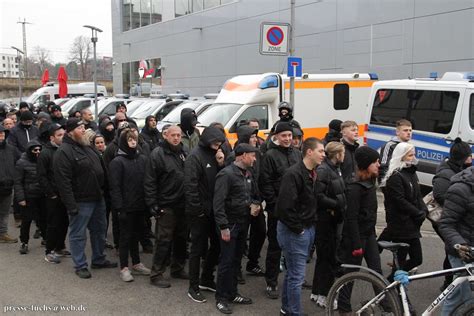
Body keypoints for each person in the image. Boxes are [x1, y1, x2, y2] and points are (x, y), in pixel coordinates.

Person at [54, 118, 117, 279]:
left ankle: (98, 259)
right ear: (70, 131)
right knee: (78, 233)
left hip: (97, 197)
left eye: (84, 127)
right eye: (79, 127)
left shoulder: (87, 147)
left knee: (99, 230)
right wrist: (71, 205)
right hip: (80, 201)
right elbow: (63, 183)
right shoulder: (64, 152)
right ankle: (80, 265)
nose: (83, 130)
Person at [276, 137, 324, 315]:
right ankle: (294, 312)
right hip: (295, 231)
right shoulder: (293, 174)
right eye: (321, 151)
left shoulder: (313, 172)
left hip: (306, 228)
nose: (323, 155)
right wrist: (299, 229)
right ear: (309, 152)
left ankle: (286, 309)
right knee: (297, 277)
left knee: (292, 274)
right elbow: (284, 207)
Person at [213, 143, 261, 314]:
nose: (255, 159)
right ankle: (221, 298)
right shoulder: (226, 175)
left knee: (235, 261)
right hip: (230, 226)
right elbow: (218, 205)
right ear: (242, 155)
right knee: (226, 262)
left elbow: (255, 195)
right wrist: (224, 227)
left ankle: (232, 293)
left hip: (243, 223)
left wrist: (256, 204)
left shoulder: (248, 173)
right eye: (252, 155)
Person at [259, 122, 302, 299]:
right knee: (275, 247)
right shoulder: (269, 155)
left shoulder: (297, 154)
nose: (287, 139)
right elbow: (265, 183)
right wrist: (275, 205)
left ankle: (295, 279)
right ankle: (271, 282)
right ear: (276, 136)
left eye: (290, 136)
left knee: (296, 247)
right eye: (284, 136)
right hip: (277, 209)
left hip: (296, 210)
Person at [338, 146, 383, 314]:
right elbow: (351, 218)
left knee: (376, 271)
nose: (379, 164)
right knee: (351, 273)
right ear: (366, 164)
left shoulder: (370, 182)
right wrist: (357, 245)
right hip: (356, 238)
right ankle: (343, 307)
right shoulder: (355, 187)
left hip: (369, 234)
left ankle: (385, 303)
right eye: (375, 162)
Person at [184, 126, 226, 303]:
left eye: (219, 143)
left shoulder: (215, 154)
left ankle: (206, 279)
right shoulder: (195, 156)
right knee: (197, 249)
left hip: (213, 210)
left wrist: (221, 162)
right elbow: (190, 186)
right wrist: (198, 210)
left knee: (216, 245)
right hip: (199, 212)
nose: (217, 146)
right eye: (215, 142)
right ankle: (193, 287)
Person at [145, 125, 188, 288]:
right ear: (166, 136)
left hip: (183, 204)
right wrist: (152, 204)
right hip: (166, 205)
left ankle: (177, 268)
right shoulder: (157, 154)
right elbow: (149, 181)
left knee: (181, 239)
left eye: (179, 135)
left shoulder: (184, 153)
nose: (176, 138)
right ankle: (156, 274)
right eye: (173, 135)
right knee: (163, 241)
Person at [109, 129, 151, 282]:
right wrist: (119, 208)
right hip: (126, 207)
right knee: (125, 237)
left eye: (134, 139)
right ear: (123, 142)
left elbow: (147, 182)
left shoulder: (142, 159)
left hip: (139, 205)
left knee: (137, 235)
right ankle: (124, 267)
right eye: (129, 140)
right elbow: (115, 187)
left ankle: (137, 263)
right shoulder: (117, 162)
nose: (133, 142)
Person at [381, 142, 426, 278]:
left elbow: (418, 195)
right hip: (401, 225)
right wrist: (417, 212)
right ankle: (389, 288)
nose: (413, 157)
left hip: (412, 225)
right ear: (401, 156)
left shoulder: (411, 173)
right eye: (410, 155)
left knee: (417, 259)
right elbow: (399, 201)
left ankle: (392, 283)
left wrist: (423, 209)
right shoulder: (396, 176)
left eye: (414, 154)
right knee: (400, 262)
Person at [432, 137, 472, 290]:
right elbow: (440, 194)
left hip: (458, 219)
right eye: (469, 155)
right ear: (463, 157)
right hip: (447, 219)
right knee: (452, 252)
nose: (471, 158)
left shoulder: (460, 170)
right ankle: (448, 283)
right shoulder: (446, 173)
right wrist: (459, 200)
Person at [311, 141, 347, 308]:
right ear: (337, 155)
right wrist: (336, 204)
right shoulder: (325, 170)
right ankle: (324, 295)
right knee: (327, 259)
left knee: (324, 258)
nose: (344, 156)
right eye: (343, 153)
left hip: (332, 219)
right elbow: (318, 195)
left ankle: (317, 292)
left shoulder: (334, 169)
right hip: (325, 220)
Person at [438, 166, 474, 315]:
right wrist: (461, 246)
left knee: (459, 297)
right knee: (466, 298)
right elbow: (445, 224)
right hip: (461, 251)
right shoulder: (460, 189)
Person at [37, 123, 70, 263]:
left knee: (64, 222)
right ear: (52, 138)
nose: (62, 137)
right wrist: (51, 193)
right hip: (53, 195)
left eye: (63, 134)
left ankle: (59, 246)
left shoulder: (64, 150)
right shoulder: (45, 153)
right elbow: (42, 176)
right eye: (59, 135)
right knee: (53, 223)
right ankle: (49, 251)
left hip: (65, 194)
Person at [14, 140, 45, 254]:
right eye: (35, 150)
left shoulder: (42, 160)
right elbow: (18, 182)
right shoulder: (21, 163)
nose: (37, 152)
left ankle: (45, 238)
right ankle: (24, 242)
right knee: (26, 221)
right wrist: (21, 198)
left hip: (42, 195)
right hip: (28, 196)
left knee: (43, 219)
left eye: (39, 150)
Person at [0, 125, 20, 243]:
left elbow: (21, 161)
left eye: (3, 134)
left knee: (4, 212)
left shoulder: (11, 149)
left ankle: (2, 233)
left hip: (8, 186)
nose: (1, 136)